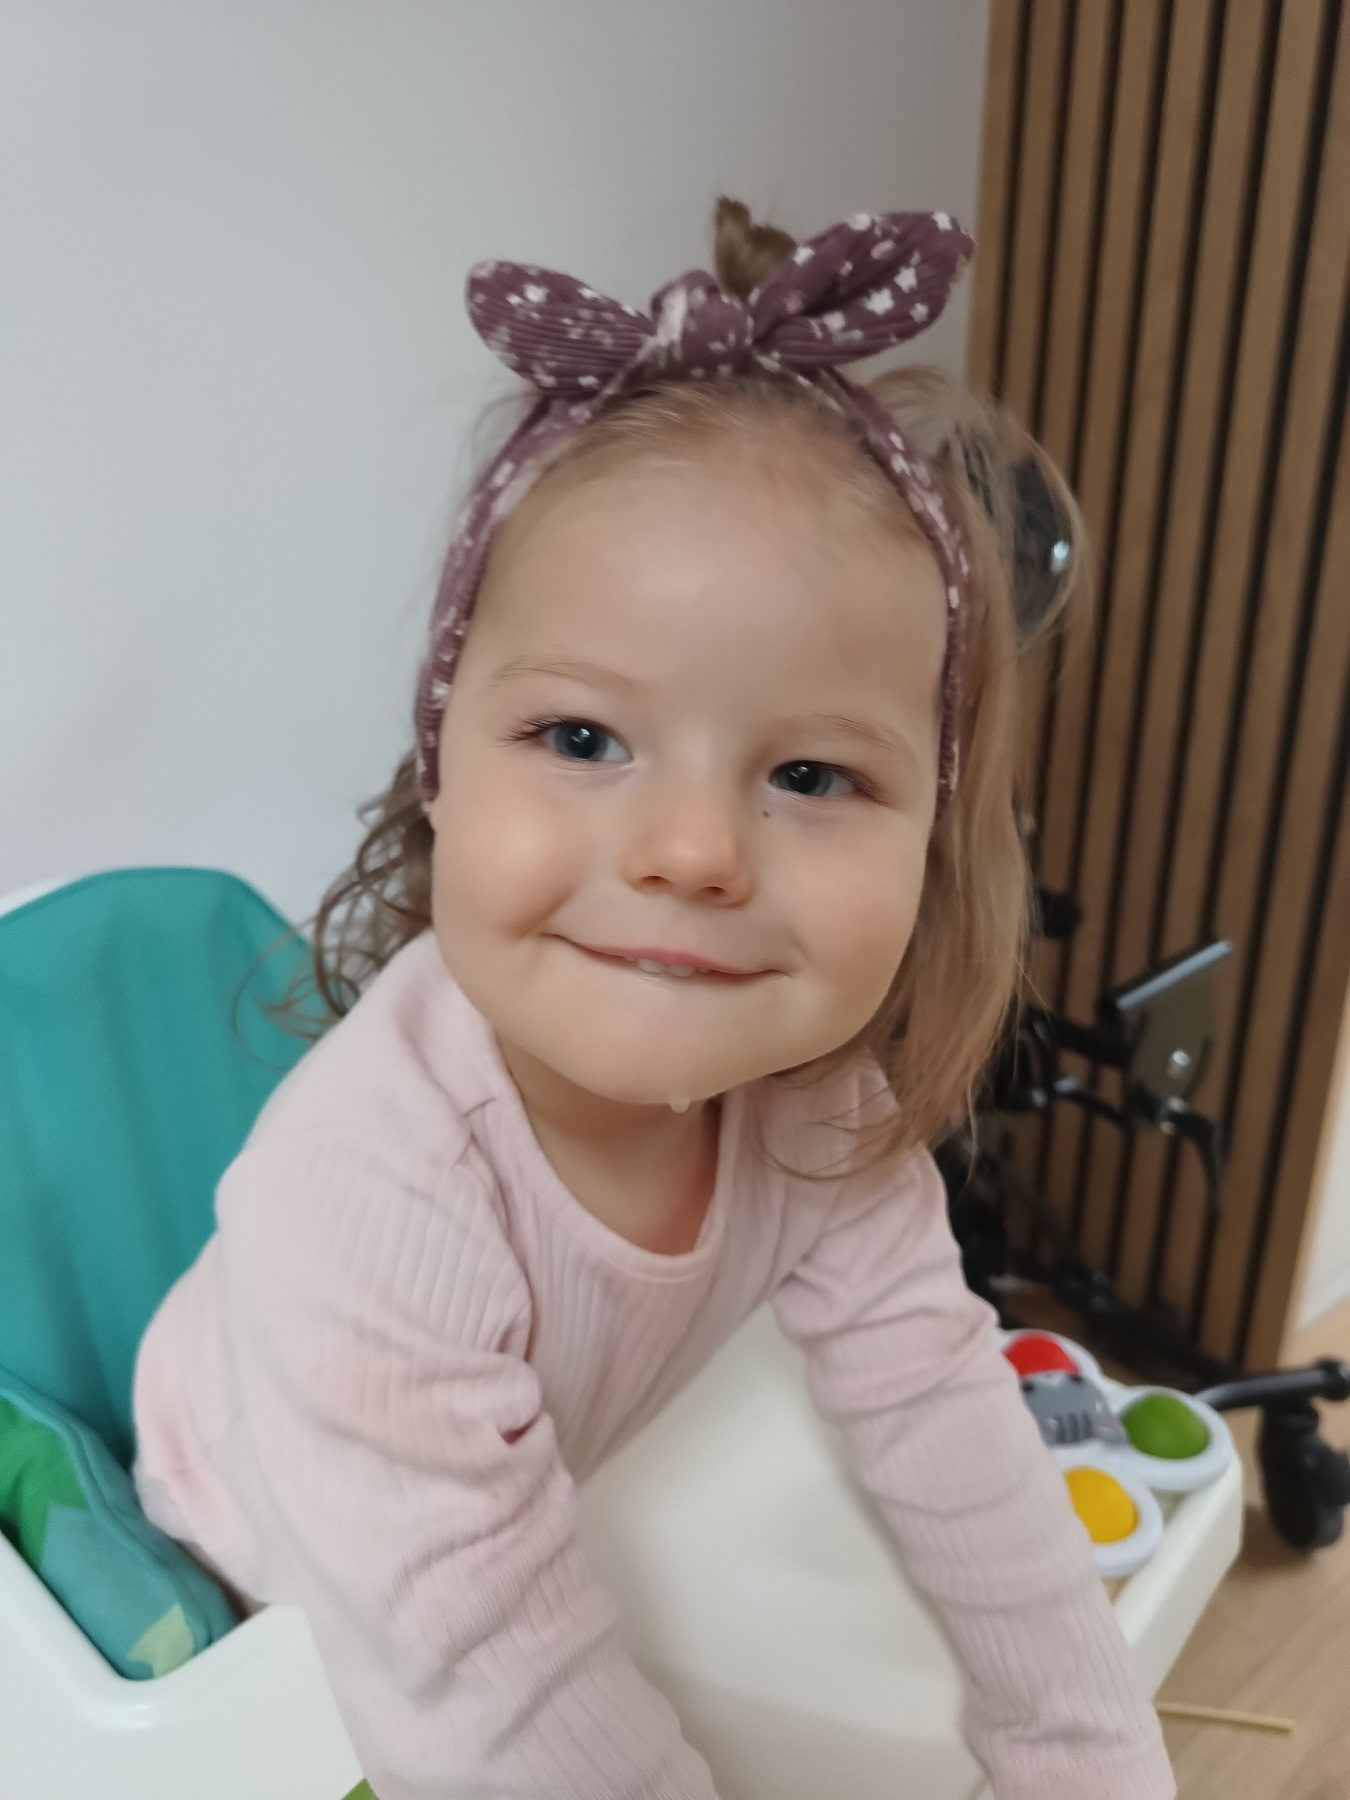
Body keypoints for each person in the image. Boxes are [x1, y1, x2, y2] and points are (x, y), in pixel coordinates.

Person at [132, 198, 1176, 1800]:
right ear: (441, 765)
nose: (692, 851)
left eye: (810, 774)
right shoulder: (364, 1198)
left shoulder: (817, 1105)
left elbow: (943, 1413)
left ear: (936, 836)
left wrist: (1088, 1753)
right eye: (581, 739)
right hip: (271, 1538)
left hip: (535, 1467)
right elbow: (499, 1698)